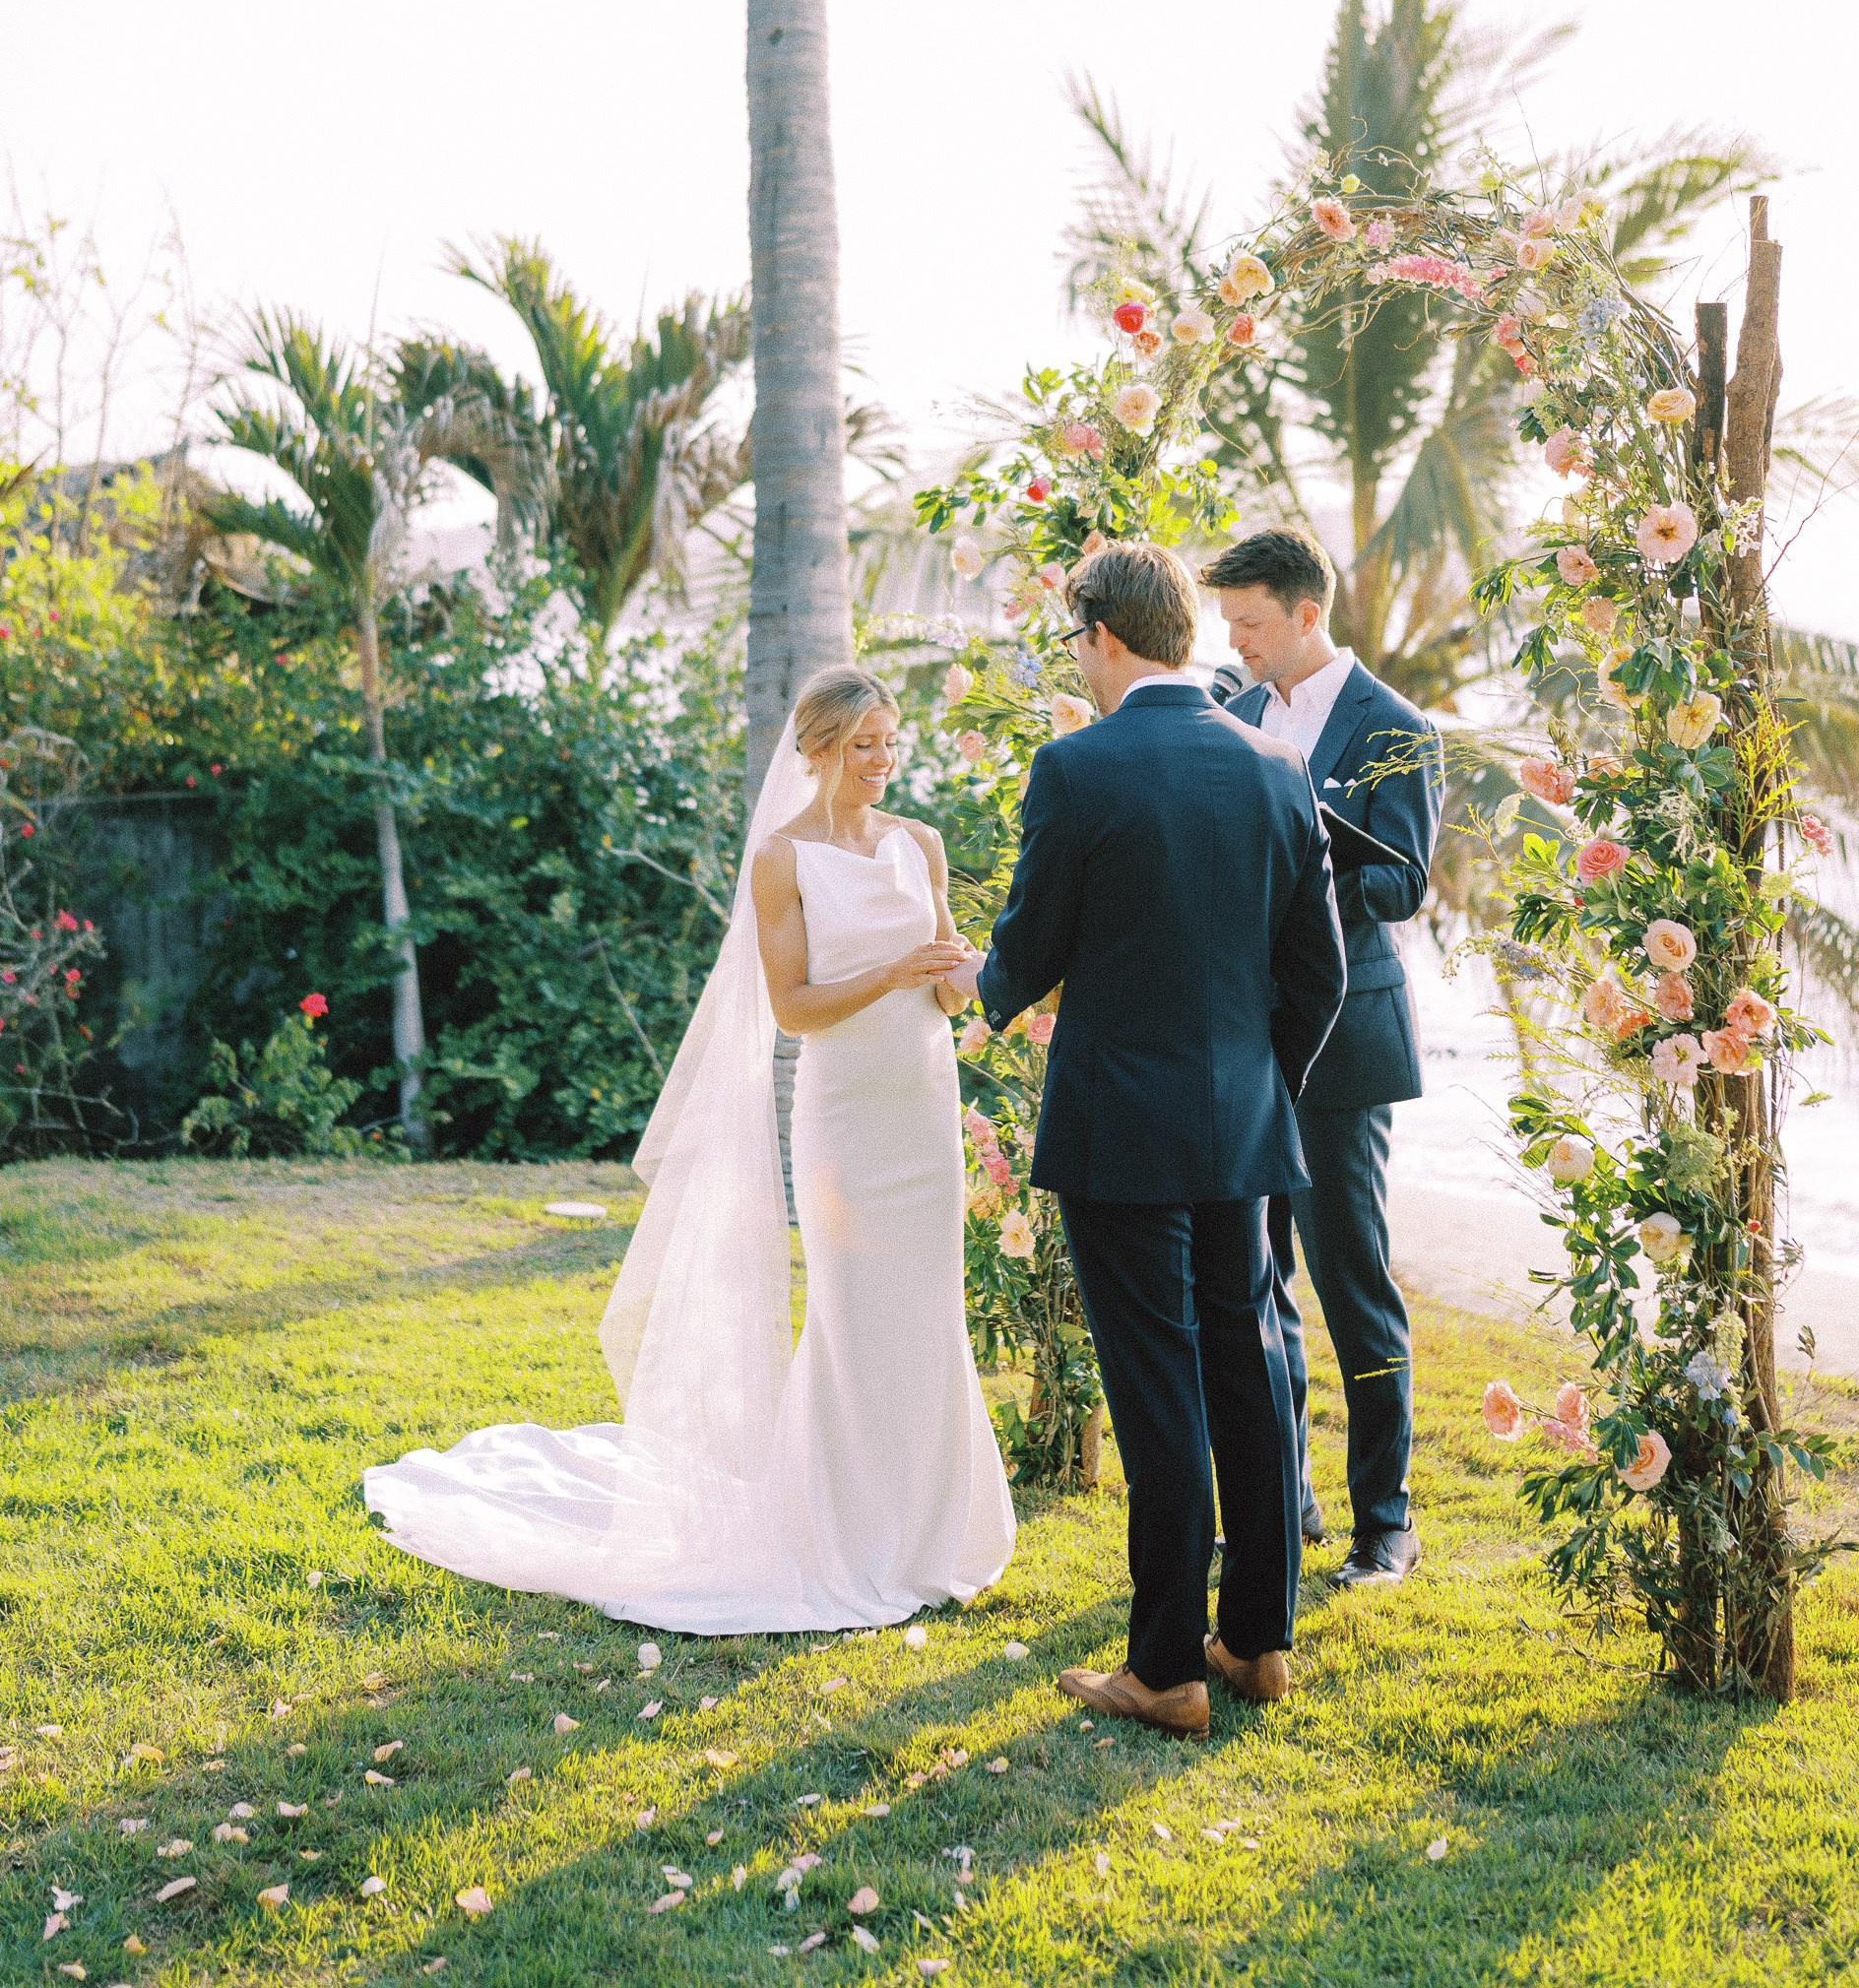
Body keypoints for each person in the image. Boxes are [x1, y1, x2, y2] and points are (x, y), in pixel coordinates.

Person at [363, 667, 1015, 1631]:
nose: (881, 762)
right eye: (861, 746)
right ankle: (845, 1532)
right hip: (845, 1121)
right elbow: (794, 1009)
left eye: (889, 742)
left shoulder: (919, 843)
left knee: (925, 1313)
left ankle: (930, 1533)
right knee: (853, 1318)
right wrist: (888, 973)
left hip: (921, 1110)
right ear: (817, 751)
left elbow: (948, 987)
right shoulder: (783, 859)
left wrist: (981, 974)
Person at [944, 541, 1348, 1735]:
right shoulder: (1277, 765)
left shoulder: (1077, 767)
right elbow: (1317, 976)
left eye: (1075, 641)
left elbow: (1029, 946)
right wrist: (1260, 1085)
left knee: (1157, 1382)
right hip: (1243, 1126)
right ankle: (1259, 1643)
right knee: (1250, 1366)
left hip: (1120, 1126)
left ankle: (1165, 1669)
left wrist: (979, 983)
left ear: (1102, 637)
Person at [1202, 528, 1442, 1589]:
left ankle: (1385, 1523)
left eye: (1250, 623)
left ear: (1306, 614)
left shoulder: (1395, 725)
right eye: (1228, 624)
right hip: (1244, 1038)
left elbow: (1404, 883)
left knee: (1353, 1287)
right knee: (1255, 1284)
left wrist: (1309, 862)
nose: (1236, 643)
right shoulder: (1236, 715)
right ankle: (1282, 1502)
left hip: (1345, 1043)